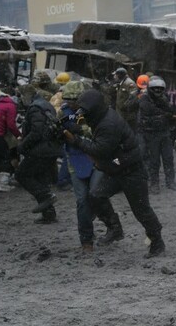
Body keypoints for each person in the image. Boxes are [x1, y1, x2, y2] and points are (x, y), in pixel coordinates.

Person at [64, 89, 166, 258]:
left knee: (141, 209)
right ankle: (114, 228)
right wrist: (68, 125)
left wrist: (76, 140)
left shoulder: (108, 124)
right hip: (116, 167)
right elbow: (81, 123)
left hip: (131, 169)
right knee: (95, 196)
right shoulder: (101, 116)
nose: (82, 113)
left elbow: (100, 150)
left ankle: (157, 241)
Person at [58, 81, 109, 252]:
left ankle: (112, 226)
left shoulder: (95, 111)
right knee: (82, 200)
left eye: (75, 101)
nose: (72, 104)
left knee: (96, 195)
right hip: (76, 158)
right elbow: (69, 124)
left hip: (96, 157)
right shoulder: (65, 112)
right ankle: (86, 239)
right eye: (69, 100)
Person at [15, 84, 63, 224]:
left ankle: (46, 196)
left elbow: (37, 131)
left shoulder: (35, 107)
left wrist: (22, 146)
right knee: (40, 179)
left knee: (22, 174)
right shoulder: (45, 105)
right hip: (50, 148)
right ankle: (49, 214)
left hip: (41, 149)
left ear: (25, 95)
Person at [138, 77, 176, 193]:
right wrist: (163, 115)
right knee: (154, 160)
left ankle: (170, 182)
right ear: (150, 89)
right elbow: (148, 111)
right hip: (151, 133)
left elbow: (170, 111)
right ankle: (154, 183)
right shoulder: (144, 98)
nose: (158, 91)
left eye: (160, 89)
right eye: (155, 89)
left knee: (168, 158)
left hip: (164, 133)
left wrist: (165, 115)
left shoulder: (164, 98)